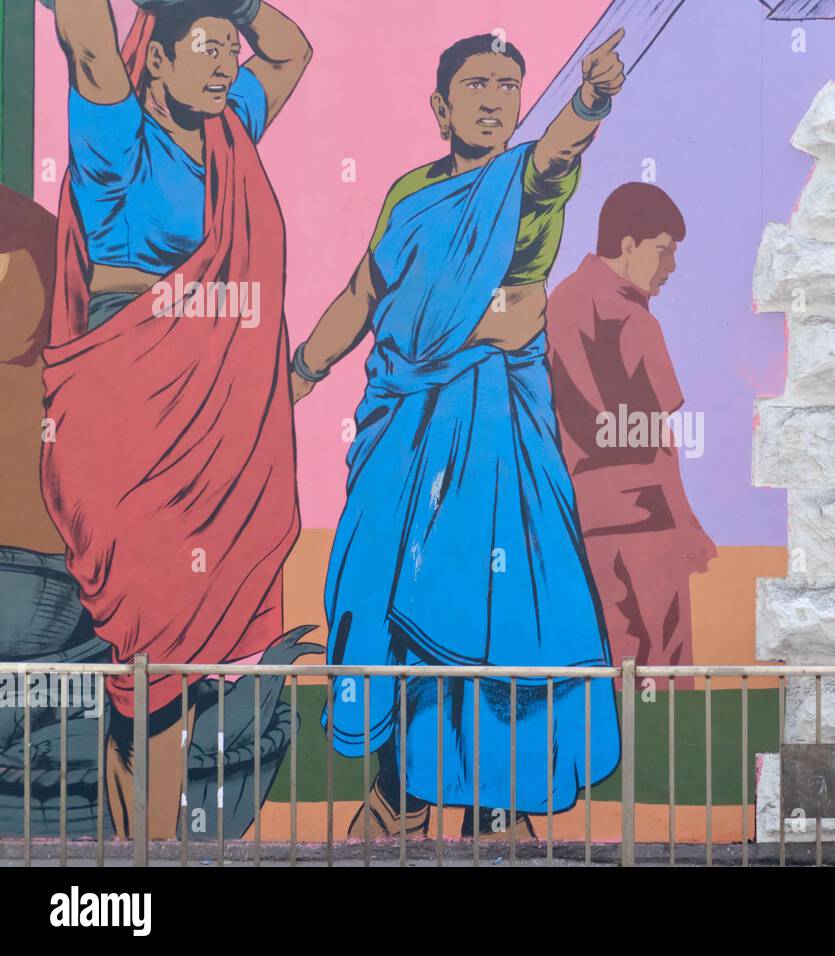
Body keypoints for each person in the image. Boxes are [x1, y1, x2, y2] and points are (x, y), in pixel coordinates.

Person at [292, 31, 629, 842]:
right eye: (474, 84)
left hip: (497, 431)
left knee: (497, 611)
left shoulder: (525, 183)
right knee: (383, 599)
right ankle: (400, 797)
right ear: (440, 106)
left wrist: (589, 100)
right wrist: (299, 372)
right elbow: (364, 291)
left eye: (508, 85)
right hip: (402, 431)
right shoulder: (411, 195)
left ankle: (497, 808)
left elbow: (555, 157)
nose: (491, 97)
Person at [37, 0, 312, 840]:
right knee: (150, 646)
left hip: (216, 444)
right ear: (152, 62)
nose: (229, 62)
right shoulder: (115, 139)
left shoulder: (230, 134)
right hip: (127, 425)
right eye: (208, 48)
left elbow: (292, 50)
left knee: (175, 670)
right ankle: (155, 858)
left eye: (233, 49)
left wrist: (232, 6)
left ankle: (141, 841)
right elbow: (86, 29)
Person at [546, 184, 715, 681]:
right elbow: (652, 437)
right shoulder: (628, 317)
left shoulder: (564, 302)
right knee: (660, 671)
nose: (671, 267)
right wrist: (683, 523)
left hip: (586, 520)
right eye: (663, 250)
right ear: (627, 245)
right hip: (643, 523)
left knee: (607, 668)